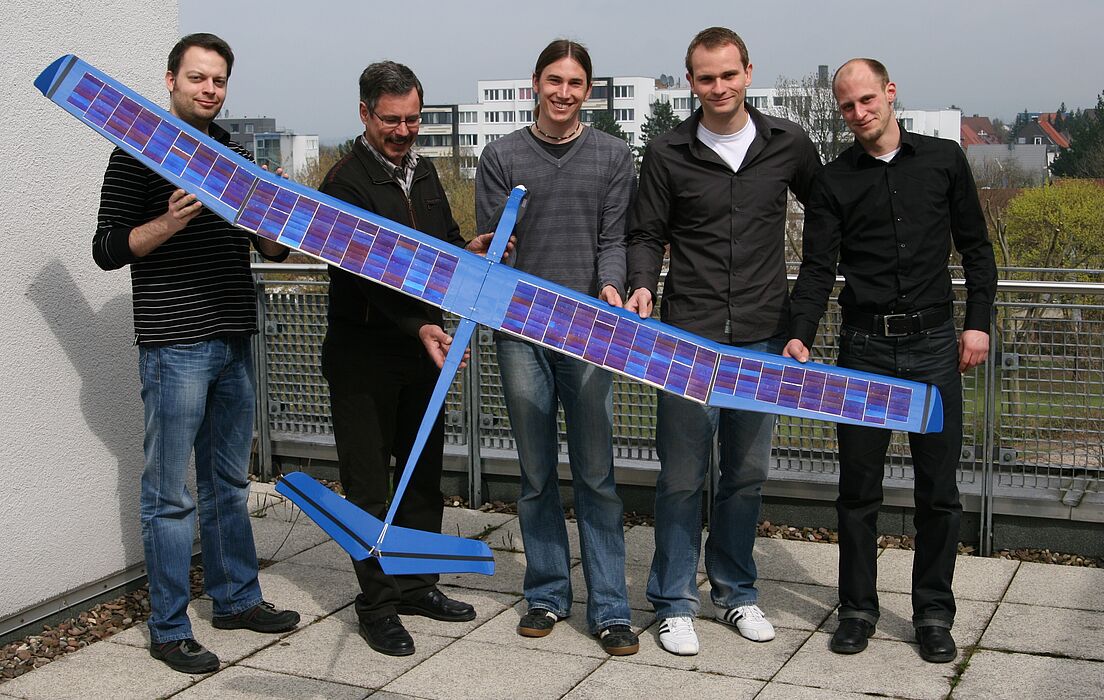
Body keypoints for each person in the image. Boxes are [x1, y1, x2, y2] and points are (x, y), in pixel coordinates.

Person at [92, 33, 300, 674]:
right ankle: (169, 628)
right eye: (197, 78)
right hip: (173, 345)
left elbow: (274, 252)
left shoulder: (235, 158)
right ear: (171, 81)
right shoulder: (136, 152)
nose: (209, 89)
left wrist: (273, 213)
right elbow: (107, 249)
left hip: (234, 339)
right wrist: (171, 221)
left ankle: (236, 599)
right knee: (169, 495)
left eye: (218, 80)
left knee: (228, 484)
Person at [785, 58, 997, 663]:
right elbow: (818, 269)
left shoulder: (944, 160)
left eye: (867, 100)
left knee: (939, 492)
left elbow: (977, 250)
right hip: (864, 350)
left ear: (890, 93)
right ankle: (856, 609)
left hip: (934, 346)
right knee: (857, 492)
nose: (859, 113)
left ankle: (933, 613)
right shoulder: (833, 181)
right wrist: (800, 333)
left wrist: (977, 323)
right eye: (847, 106)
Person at [625, 27, 821, 656]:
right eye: (706, 78)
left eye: (728, 75)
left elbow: (830, 217)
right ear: (690, 82)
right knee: (682, 476)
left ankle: (735, 592)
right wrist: (641, 284)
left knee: (746, 473)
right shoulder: (666, 153)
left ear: (748, 73)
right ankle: (674, 602)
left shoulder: (789, 144)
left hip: (764, 336)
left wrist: (806, 316)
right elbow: (645, 233)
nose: (718, 87)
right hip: (689, 338)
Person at [320, 60, 499, 657]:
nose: (403, 131)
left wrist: (469, 248)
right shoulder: (343, 183)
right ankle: (376, 606)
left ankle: (417, 586)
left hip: (424, 349)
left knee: (422, 478)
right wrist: (416, 324)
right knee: (370, 490)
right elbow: (361, 274)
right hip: (364, 355)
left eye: (413, 119)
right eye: (391, 120)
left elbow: (440, 244)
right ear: (364, 114)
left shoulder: (423, 171)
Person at [475, 39, 639, 656]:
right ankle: (546, 593)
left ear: (587, 91)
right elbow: (497, 246)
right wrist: (493, 249)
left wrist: (611, 286)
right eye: (553, 81)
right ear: (535, 85)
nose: (563, 93)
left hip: (588, 331)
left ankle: (611, 608)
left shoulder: (613, 155)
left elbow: (614, 238)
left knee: (596, 474)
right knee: (537, 473)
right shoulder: (501, 155)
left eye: (574, 83)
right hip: (521, 331)